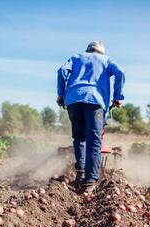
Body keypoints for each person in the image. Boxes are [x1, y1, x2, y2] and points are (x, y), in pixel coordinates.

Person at [56, 41, 125, 193]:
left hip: (73, 99)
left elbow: (61, 71)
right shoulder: (107, 60)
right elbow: (120, 73)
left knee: (79, 137)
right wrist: (117, 96)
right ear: (101, 52)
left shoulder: (76, 57)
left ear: (88, 50)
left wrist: (61, 94)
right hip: (95, 100)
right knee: (94, 140)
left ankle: (80, 173)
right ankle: (89, 182)